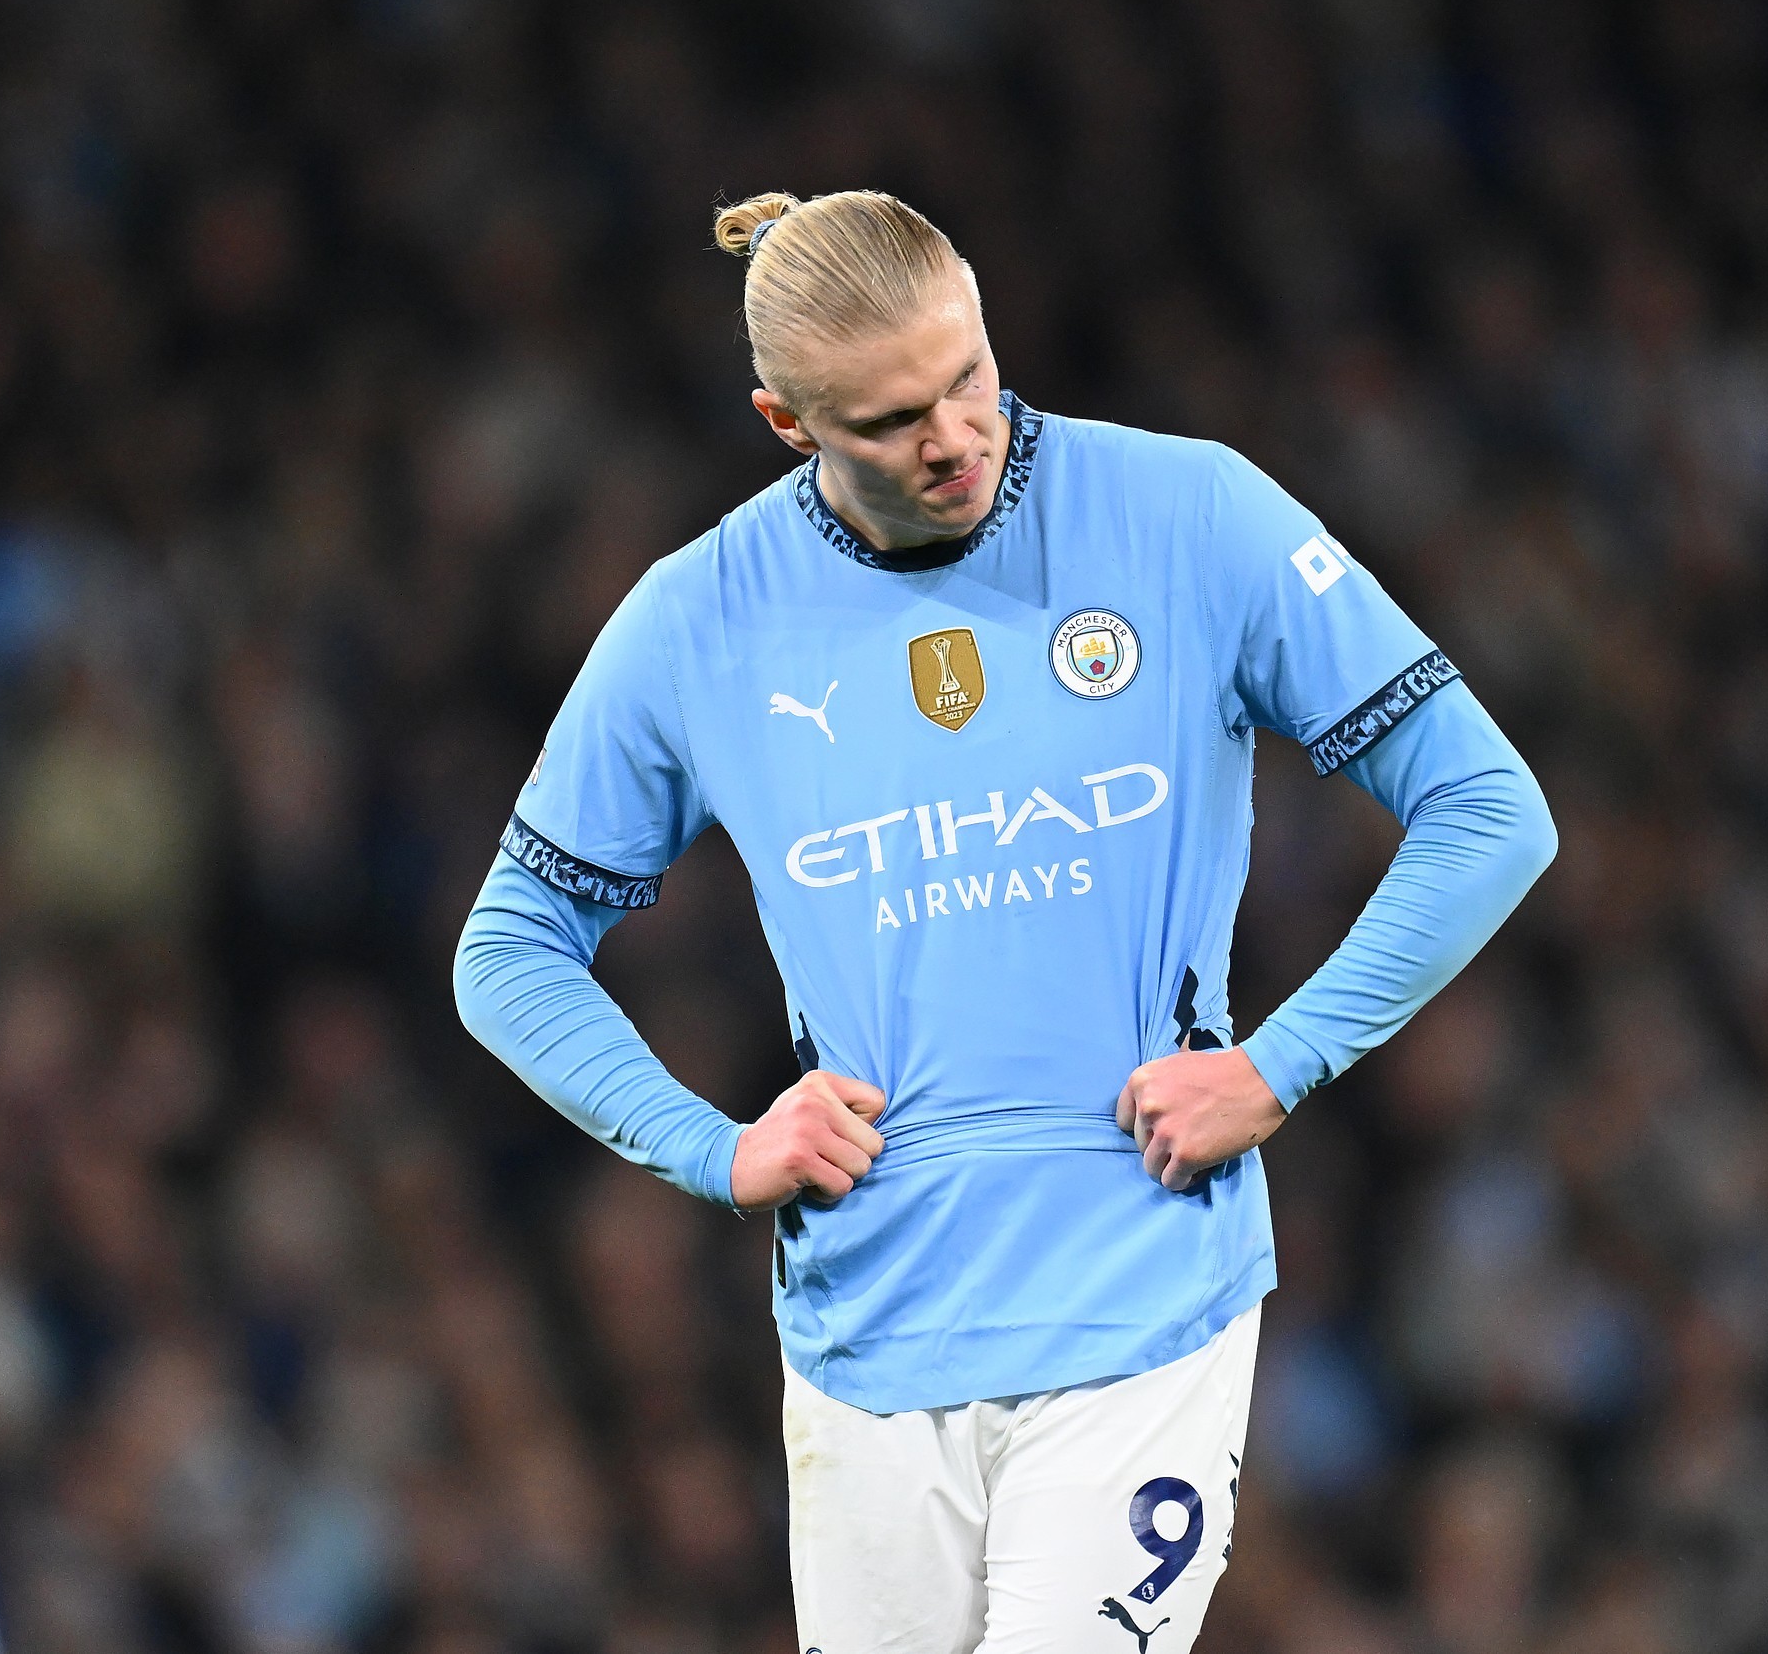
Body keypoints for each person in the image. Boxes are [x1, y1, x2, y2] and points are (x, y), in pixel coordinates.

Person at [453, 188, 1554, 1653]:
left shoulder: (1188, 515)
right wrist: (712, 1148)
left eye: (968, 374)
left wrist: (1277, 1065)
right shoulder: (698, 619)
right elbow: (508, 950)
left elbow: (1488, 808)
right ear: (787, 423)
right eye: (891, 419)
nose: (955, 436)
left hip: (1139, 1284)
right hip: (865, 1336)